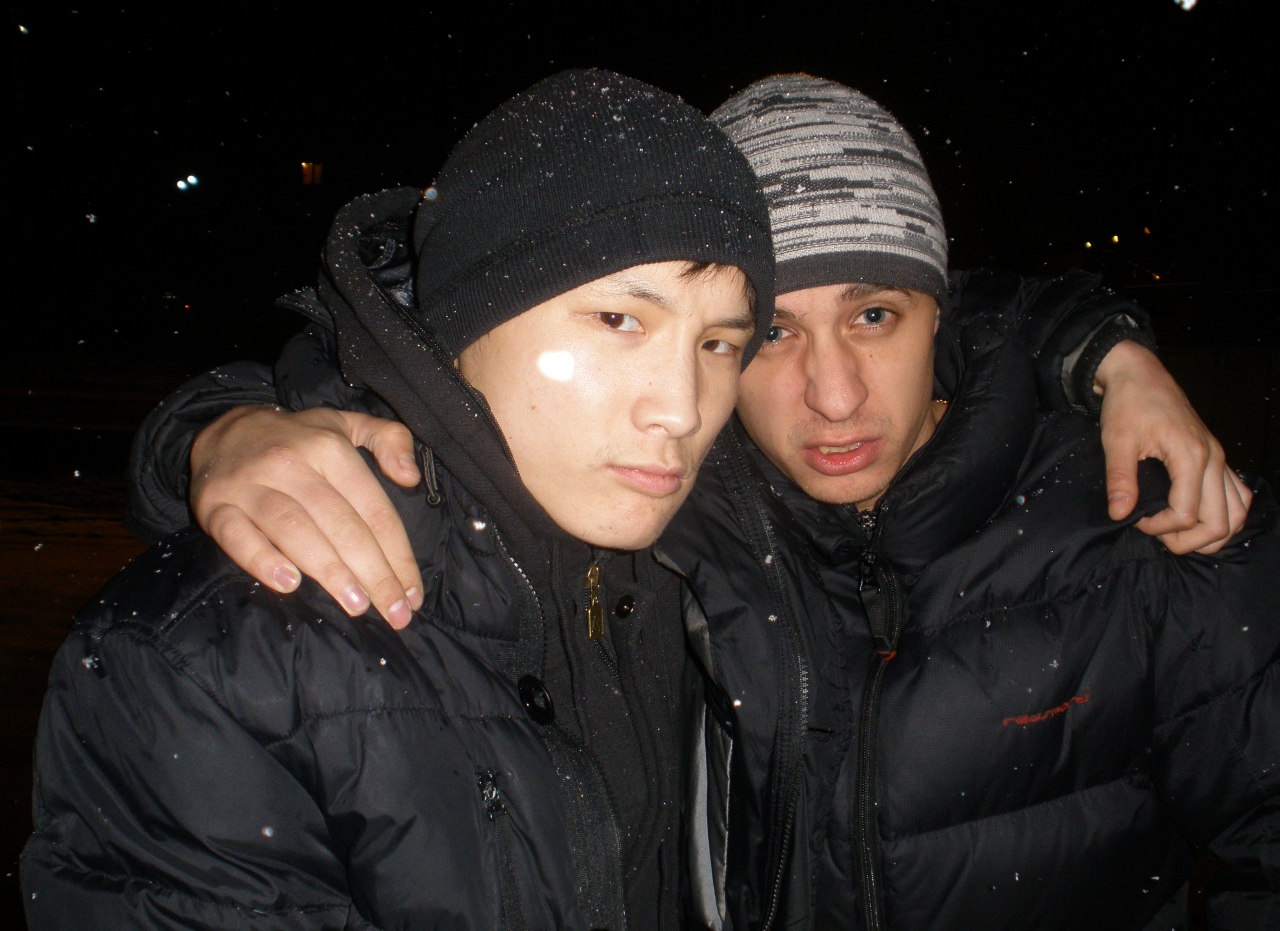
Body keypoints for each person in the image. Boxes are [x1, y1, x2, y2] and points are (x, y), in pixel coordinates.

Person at [110, 76, 1274, 929]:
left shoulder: (1148, 521)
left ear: (942, 315)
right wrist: (218, 429)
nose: (831, 394)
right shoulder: (686, 510)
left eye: (874, 315)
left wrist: (1104, 346)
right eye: (766, 336)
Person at [21, 68, 779, 930]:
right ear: (461, 324)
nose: (682, 408)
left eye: (719, 343)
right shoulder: (221, 658)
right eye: (619, 321)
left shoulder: (704, 572)